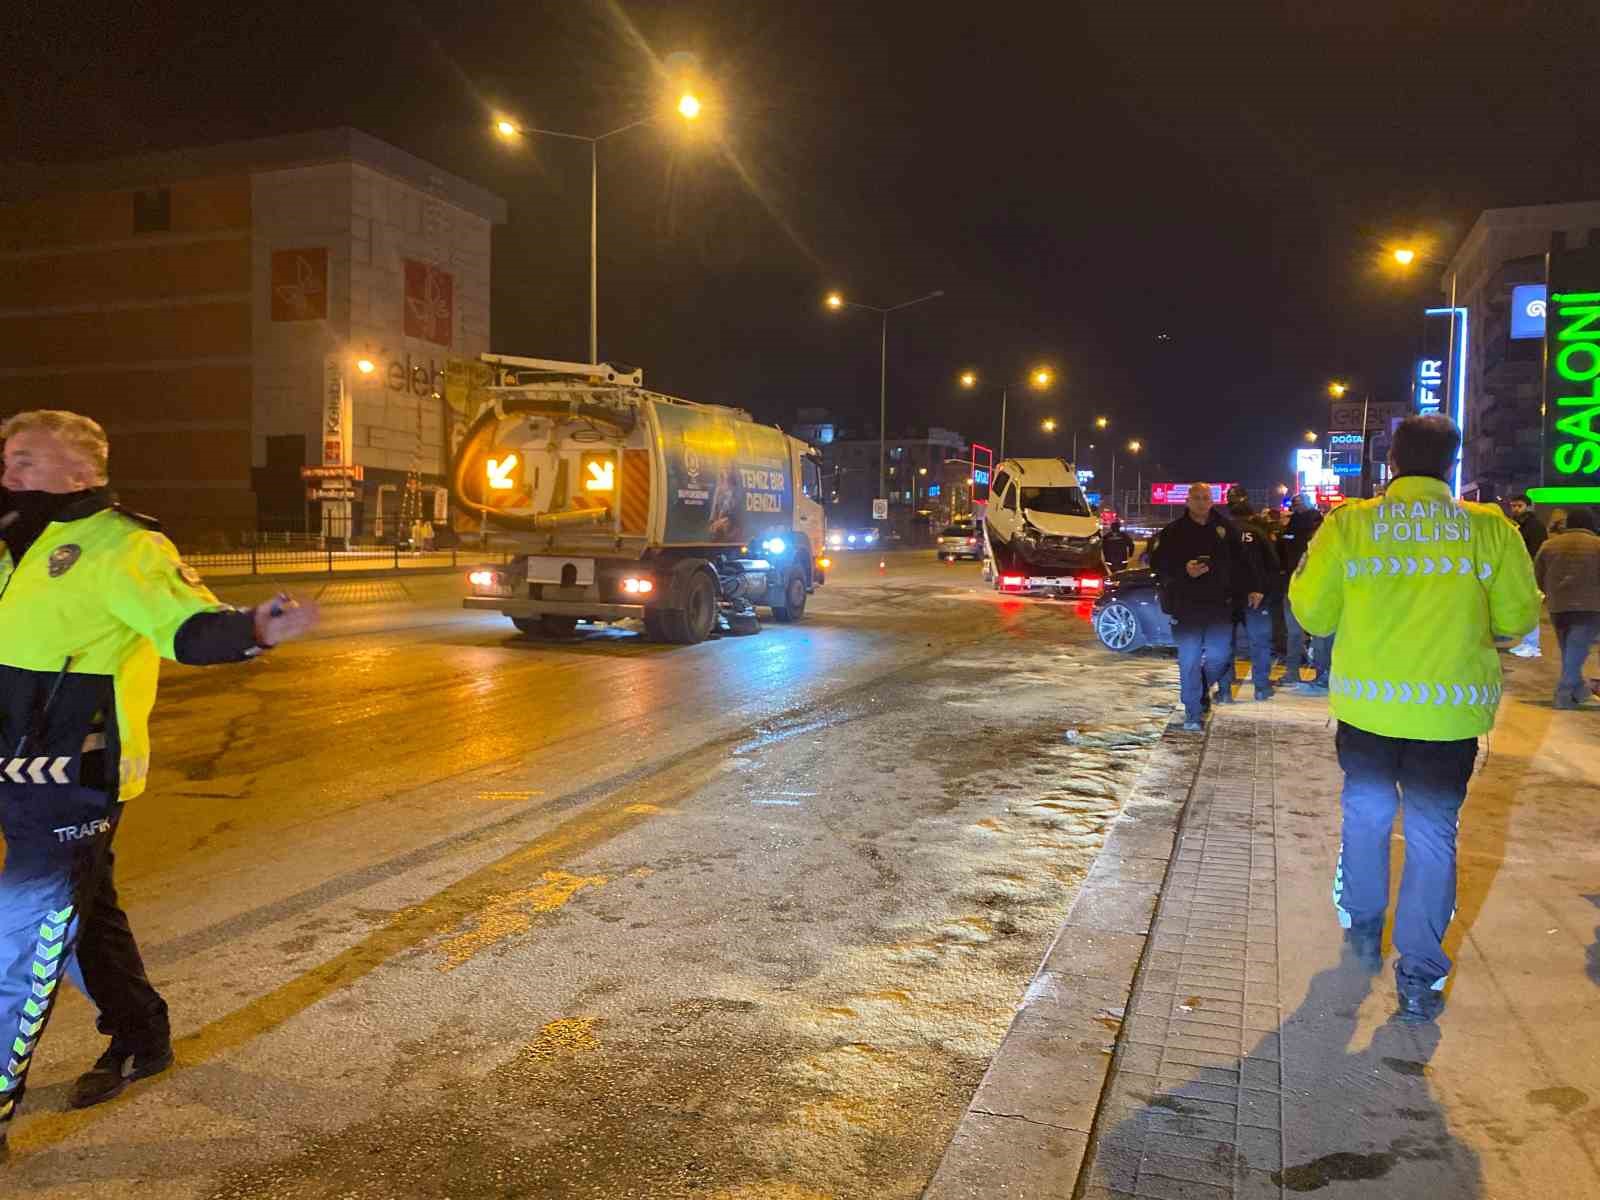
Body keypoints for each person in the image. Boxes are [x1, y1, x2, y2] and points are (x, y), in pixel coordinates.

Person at [0, 411, 318, 1162]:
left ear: (82, 473)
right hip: (13, 767)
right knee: (85, 915)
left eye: (25, 460)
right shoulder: (17, 542)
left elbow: (187, 627)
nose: (9, 472)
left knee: (22, 936)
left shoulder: (125, 545)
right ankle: (142, 1034)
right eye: (6, 459)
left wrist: (256, 629)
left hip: (79, 777)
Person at [1289, 414, 1540, 1023]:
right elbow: (1517, 619)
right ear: (1452, 466)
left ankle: (1363, 930)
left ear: (1391, 463)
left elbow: (1312, 615)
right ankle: (1421, 978)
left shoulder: (1351, 525)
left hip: (1368, 714)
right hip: (1449, 720)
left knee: (1367, 817)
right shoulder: (1489, 531)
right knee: (1432, 838)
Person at [1151, 483, 1247, 731]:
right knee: (1189, 661)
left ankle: (1200, 688)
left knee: (1220, 657)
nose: (1202, 502)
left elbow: (1243, 562)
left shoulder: (1226, 529)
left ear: (1213, 501)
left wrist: (1253, 587)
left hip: (1219, 607)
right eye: (1197, 498)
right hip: (1186, 607)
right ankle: (1192, 713)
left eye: (1206, 498)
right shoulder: (1173, 532)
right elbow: (1158, 564)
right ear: (1188, 501)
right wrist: (1184, 570)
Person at [1534, 506, 1600, 709]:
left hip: (1558, 606)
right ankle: (1563, 695)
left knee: (1570, 652)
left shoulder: (1549, 545)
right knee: (1575, 651)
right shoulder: (1597, 545)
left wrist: (1548, 593)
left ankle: (1580, 691)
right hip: (1589, 606)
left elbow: (1537, 573)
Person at [1222, 485, 1282, 701]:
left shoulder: (1221, 531)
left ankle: (1225, 690)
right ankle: (1262, 688)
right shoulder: (1258, 532)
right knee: (1260, 644)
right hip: (1255, 598)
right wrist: (1264, 590)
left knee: (1225, 644)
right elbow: (1273, 564)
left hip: (1227, 598)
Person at [1280, 493, 1331, 689]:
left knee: (1313, 633)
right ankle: (1313, 672)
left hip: (1308, 587)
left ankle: (1318, 672)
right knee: (1301, 633)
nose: (1297, 506)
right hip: (1300, 587)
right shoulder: (1298, 525)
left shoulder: (1314, 527)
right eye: (1295, 503)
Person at [1507, 494, 1546, 659]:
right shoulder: (1516, 524)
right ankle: (1526, 641)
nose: (1515, 509)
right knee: (1523, 606)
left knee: (1530, 607)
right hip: (1520, 571)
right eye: (1513, 505)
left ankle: (1532, 644)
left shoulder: (1535, 526)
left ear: (1528, 507)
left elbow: (1536, 551)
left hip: (1530, 572)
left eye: (1519, 506)